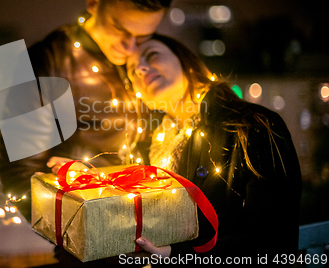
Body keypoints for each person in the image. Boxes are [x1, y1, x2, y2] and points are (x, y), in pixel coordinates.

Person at [0, 0, 173, 221]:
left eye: (142, 36)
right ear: (93, 0)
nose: (129, 48)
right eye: (120, 29)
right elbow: (18, 174)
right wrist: (84, 228)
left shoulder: (151, 59)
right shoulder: (47, 62)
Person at [126, 35, 302, 265]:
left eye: (152, 55)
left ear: (186, 60)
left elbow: (274, 241)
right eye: (131, 71)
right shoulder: (147, 146)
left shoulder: (253, 125)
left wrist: (177, 256)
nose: (140, 68)